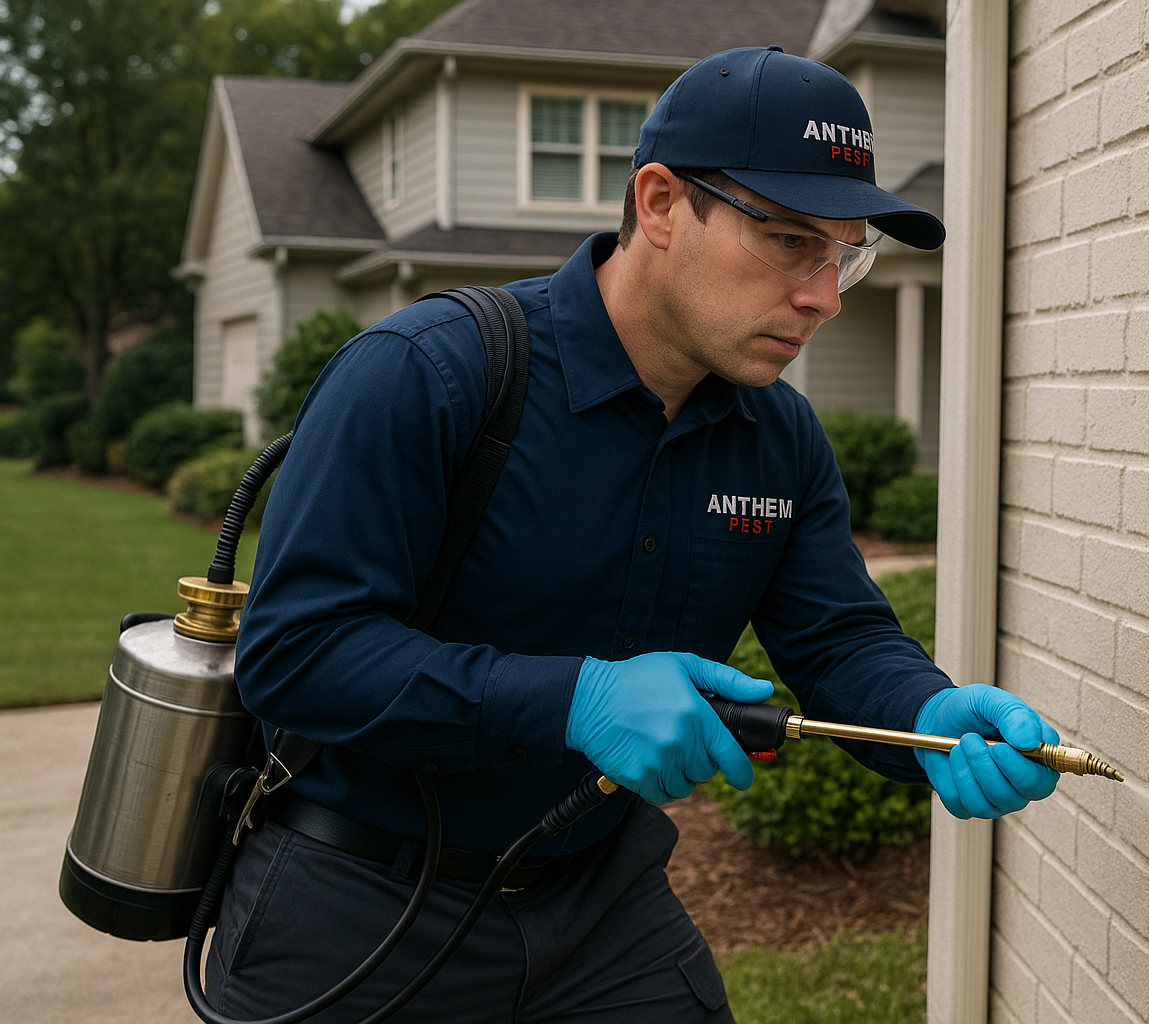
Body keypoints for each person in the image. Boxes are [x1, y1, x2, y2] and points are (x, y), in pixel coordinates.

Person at [207, 46, 1060, 1024]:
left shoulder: (779, 440)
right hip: (356, 901)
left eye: (846, 254)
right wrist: (575, 698)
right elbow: (297, 653)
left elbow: (839, 641)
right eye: (789, 241)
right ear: (658, 203)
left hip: (601, 911)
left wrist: (929, 718)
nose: (823, 295)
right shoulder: (427, 376)